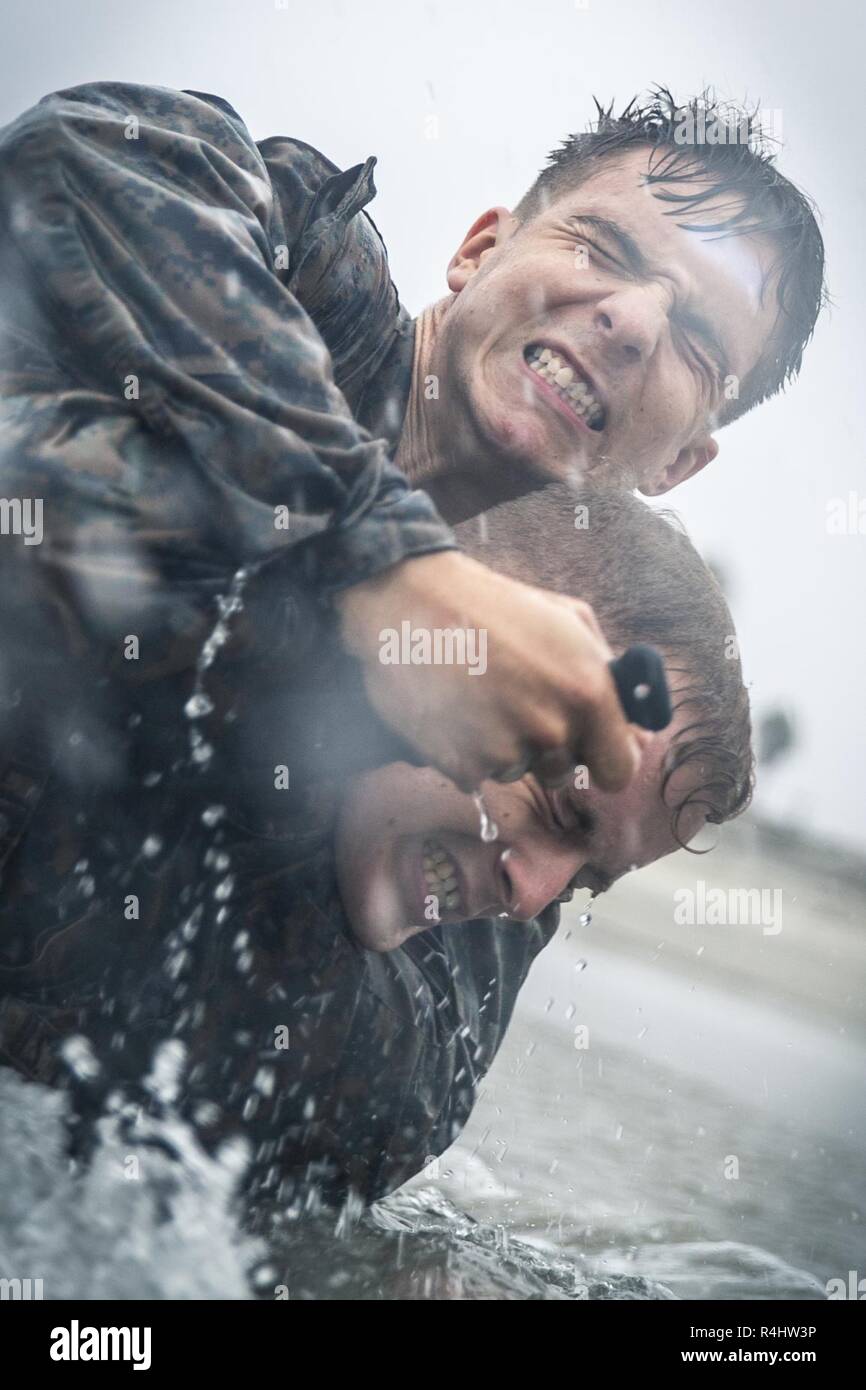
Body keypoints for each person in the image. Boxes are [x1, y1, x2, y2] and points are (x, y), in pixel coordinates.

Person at [0, 80, 824, 804]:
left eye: (699, 346)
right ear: (479, 250)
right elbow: (68, 156)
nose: (634, 322)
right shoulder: (300, 259)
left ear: (677, 464)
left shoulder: (508, 689)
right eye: (600, 248)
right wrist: (381, 563)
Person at [0, 485, 752, 1209]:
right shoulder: (130, 589)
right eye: (559, 808)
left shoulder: (422, 1034)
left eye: (587, 880)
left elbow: (366, 1119)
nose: (531, 897)